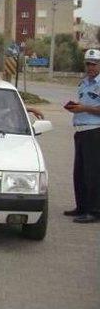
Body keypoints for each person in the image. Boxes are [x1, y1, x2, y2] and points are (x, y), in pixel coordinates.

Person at [63, 49, 100, 223]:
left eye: (94, 64)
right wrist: (76, 107)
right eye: (88, 64)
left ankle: (94, 211)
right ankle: (82, 207)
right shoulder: (84, 83)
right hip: (81, 132)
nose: (91, 67)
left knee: (93, 173)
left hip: (95, 131)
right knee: (80, 173)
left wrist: (83, 108)